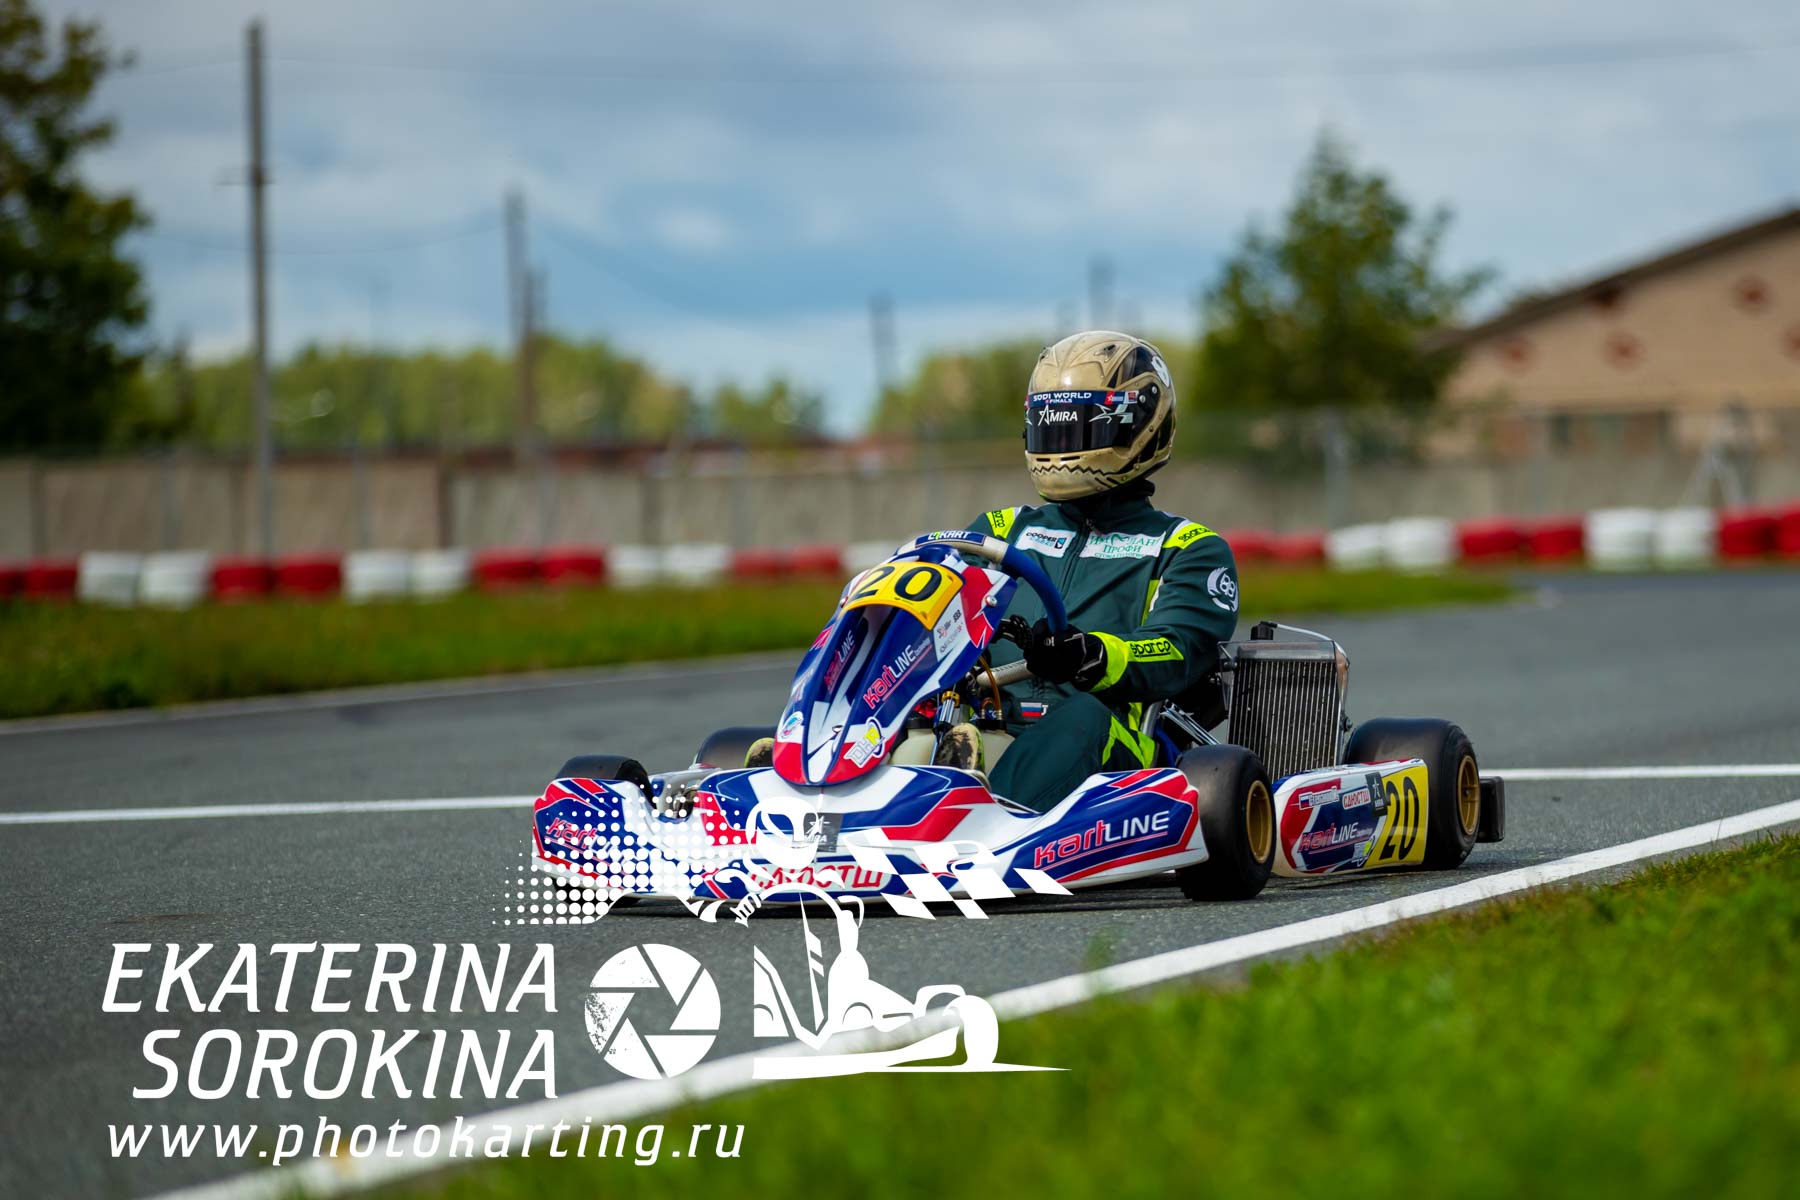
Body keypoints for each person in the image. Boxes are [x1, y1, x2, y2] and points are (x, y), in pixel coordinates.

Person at [957, 330, 1240, 812]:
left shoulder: (1186, 548)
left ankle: (980, 823)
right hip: (991, 726)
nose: (1062, 445)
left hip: (1120, 753)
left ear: (1138, 426)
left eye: (1079, 428)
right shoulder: (999, 532)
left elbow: (1176, 650)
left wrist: (1091, 654)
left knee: (1082, 718)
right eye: (1052, 427)